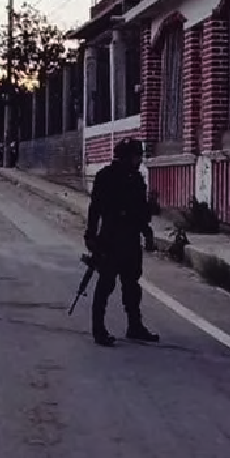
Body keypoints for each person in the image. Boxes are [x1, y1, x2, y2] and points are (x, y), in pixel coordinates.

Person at [84, 138, 160, 347]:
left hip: (131, 239)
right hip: (110, 239)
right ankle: (99, 329)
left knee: (132, 285)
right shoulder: (106, 177)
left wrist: (147, 231)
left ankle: (134, 326)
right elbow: (95, 209)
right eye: (136, 156)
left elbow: (140, 210)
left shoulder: (136, 178)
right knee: (106, 284)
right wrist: (90, 235)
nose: (139, 160)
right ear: (126, 157)